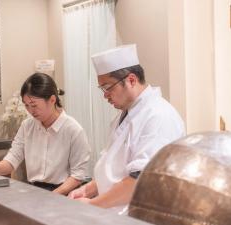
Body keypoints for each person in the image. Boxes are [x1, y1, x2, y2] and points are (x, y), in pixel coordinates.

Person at [68, 44, 185, 214]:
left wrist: (92, 206)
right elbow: (115, 169)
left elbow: (140, 181)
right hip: (116, 213)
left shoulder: (158, 116)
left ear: (131, 80)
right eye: (102, 89)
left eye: (108, 88)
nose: (105, 95)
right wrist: (88, 189)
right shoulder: (126, 115)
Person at [0, 73, 91, 195]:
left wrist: (53, 196)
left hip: (63, 194)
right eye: (26, 105)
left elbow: (77, 176)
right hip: (33, 191)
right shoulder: (27, 126)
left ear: (52, 100)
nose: (30, 111)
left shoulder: (73, 130)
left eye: (34, 105)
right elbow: (13, 159)